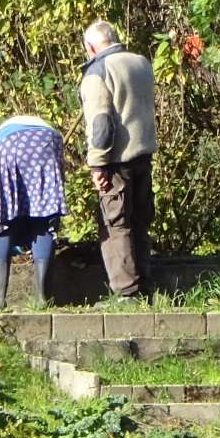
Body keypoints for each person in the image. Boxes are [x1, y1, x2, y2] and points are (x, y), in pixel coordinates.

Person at [77, 20, 156, 299]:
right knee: (140, 221)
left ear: (90, 46)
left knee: (117, 225)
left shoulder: (98, 71)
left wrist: (98, 164)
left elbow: (102, 125)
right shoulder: (141, 63)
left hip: (116, 162)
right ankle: (145, 284)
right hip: (144, 155)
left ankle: (127, 294)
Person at [0, 114, 65, 308]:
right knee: (44, 220)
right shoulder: (45, 128)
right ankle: (43, 299)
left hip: (9, 147)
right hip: (48, 142)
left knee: (3, 224)